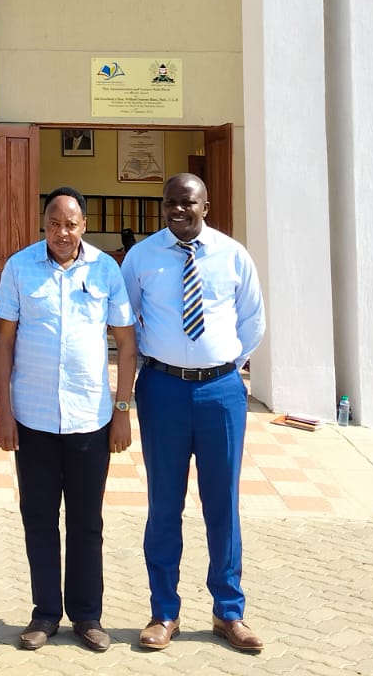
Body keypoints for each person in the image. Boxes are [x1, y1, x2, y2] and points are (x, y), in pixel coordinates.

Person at [120, 173, 266, 654]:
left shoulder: (232, 255)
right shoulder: (142, 258)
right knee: (165, 503)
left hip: (221, 392)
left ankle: (229, 611)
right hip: (162, 389)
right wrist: (161, 366)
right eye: (169, 204)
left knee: (221, 503)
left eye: (187, 203)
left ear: (205, 205)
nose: (177, 211)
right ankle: (164, 611)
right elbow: (128, 322)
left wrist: (221, 365)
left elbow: (252, 322)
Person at [0, 187, 137, 654]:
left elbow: (127, 346)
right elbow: (5, 344)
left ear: (84, 225)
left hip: (89, 419)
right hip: (32, 418)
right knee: (38, 518)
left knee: (86, 521)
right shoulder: (19, 267)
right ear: (44, 224)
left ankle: (88, 616)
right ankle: (45, 614)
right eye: (54, 223)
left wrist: (121, 412)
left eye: (70, 224)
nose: (62, 232)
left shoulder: (106, 270)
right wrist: (3, 412)